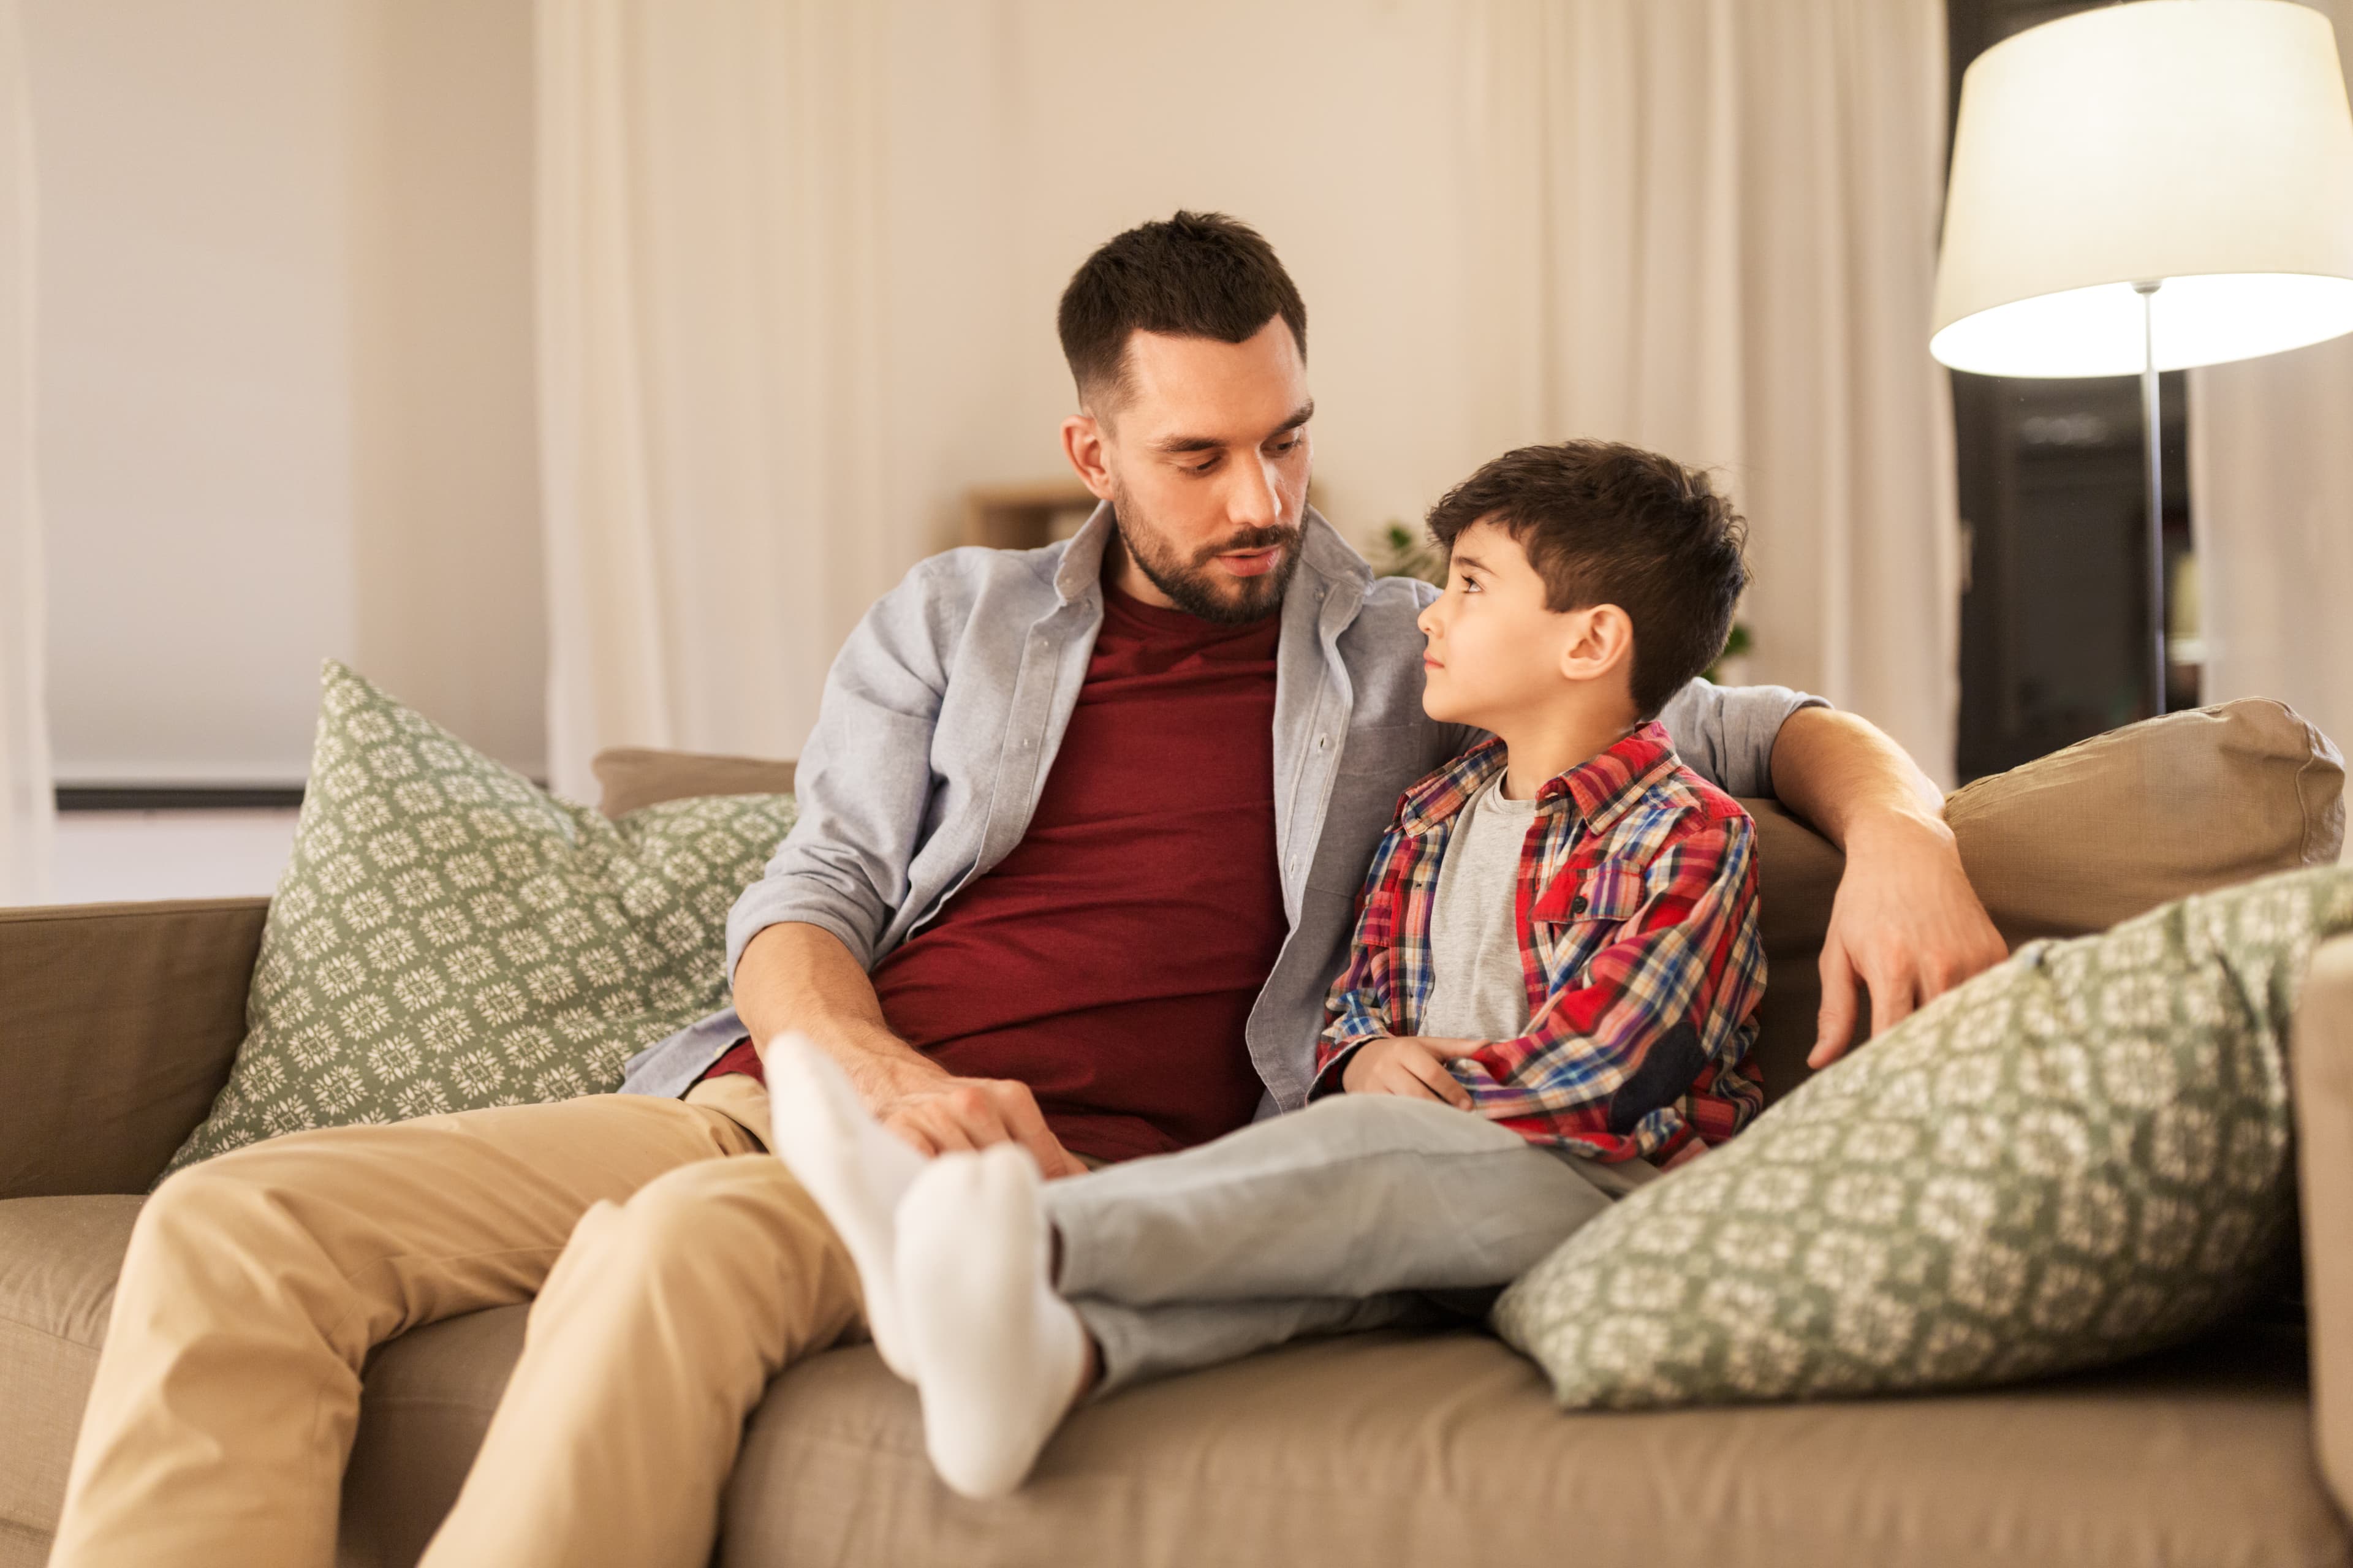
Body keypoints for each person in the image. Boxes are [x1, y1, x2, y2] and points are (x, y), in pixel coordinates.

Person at [48, 213, 2005, 1568]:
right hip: (781, 1089)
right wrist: (865, 1061)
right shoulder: (953, 619)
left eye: (1292, 436)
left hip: (1049, 1167)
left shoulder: (1416, 649)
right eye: (1205, 454)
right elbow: (809, 882)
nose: (1266, 499)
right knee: (243, 1216)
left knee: (676, 1266)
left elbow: (1737, 717)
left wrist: (1905, 829)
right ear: (1094, 447)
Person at [766, 436, 1769, 1498]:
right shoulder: (1433, 813)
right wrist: (1364, 1058)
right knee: (1303, 1275)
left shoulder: (1684, 836)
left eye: (1470, 587)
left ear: (1591, 643)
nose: (1429, 613)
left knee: (1372, 1163)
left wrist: (1411, 1106)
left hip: (1604, 1186)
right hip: (1428, 1195)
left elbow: (1606, 1072)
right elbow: (1361, 997)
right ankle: (1053, 1365)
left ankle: (1006, 1239)